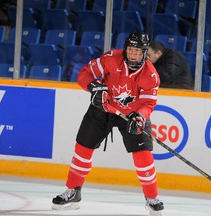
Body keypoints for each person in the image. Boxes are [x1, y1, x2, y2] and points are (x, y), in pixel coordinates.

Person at [52, 31, 164, 215]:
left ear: (144, 53)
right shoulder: (111, 58)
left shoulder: (150, 75)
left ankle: (152, 197)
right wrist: (93, 87)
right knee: (83, 149)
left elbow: (148, 103)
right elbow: (85, 74)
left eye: (138, 51)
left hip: (131, 115)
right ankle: (73, 191)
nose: (133, 54)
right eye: (130, 50)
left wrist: (141, 117)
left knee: (143, 155)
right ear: (126, 49)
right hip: (102, 109)